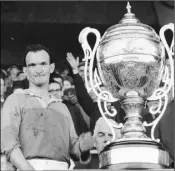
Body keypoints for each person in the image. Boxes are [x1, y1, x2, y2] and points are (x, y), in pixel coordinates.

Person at [1, 44, 93, 170]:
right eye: (32, 65)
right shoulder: (15, 100)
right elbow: (8, 143)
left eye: (43, 64)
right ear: (25, 71)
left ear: (51, 67)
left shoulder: (62, 107)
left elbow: (74, 149)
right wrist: (27, 168)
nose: (39, 70)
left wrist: (86, 143)